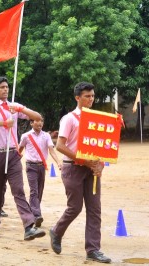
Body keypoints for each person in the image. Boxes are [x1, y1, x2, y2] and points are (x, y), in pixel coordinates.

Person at [0, 76, 46, 240]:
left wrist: (21, 110)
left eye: (7, 87)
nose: (5, 89)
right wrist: (3, 123)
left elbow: (37, 117)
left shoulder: (13, 106)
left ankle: (29, 226)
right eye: (1, 87)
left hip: (13, 154)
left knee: (18, 189)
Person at [49, 82, 110, 263]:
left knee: (94, 209)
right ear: (78, 98)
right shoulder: (69, 119)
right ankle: (56, 231)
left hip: (91, 170)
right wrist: (83, 160)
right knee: (74, 207)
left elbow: (102, 147)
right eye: (87, 96)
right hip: (72, 168)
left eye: (92, 96)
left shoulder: (96, 120)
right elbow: (60, 145)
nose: (91, 99)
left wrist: (101, 164)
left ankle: (93, 249)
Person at [18, 118, 62, 227]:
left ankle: (33, 213)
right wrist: (14, 163)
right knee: (34, 191)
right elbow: (19, 150)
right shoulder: (26, 136)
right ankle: (37, 215)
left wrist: (58, 162)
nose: (40, 123)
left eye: (42, 121)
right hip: (30, 166)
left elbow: (51, 150)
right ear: (31, 123)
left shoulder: (46, 136)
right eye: (37, 121)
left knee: (39, 191)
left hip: (42, 166)